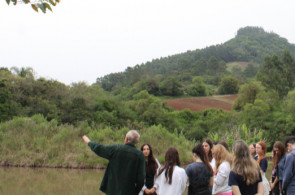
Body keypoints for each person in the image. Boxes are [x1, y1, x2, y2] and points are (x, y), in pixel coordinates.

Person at [82, 130, 145, 195]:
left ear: (126, 138)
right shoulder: (139, 155)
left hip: (112, 191)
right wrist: (135, 192)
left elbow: (99, 148)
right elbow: (141, 178)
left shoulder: (115, 149)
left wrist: (89, 142)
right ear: (137, 141)